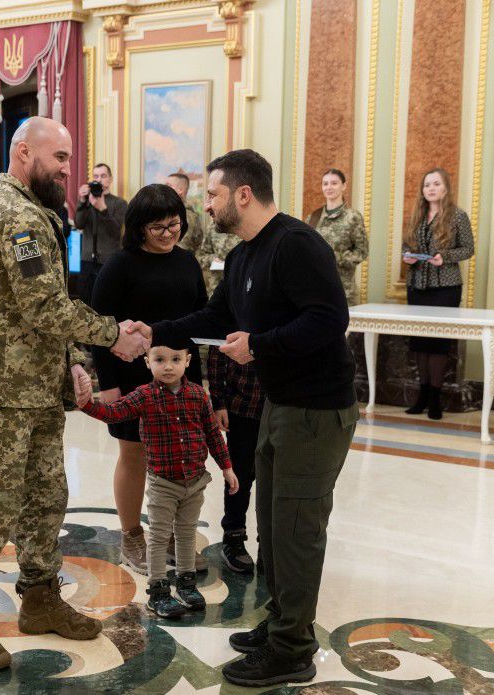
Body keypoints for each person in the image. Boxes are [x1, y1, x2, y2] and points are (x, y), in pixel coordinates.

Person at [130, 149, 358, 687]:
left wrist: (259, 345)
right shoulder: (241, 257)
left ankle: (293, 652)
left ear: (242, 194)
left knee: (298, 531)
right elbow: (215, 317)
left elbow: (329, 320)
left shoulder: (296, 244)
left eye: (210, 195)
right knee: (275, 528)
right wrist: (153, 333)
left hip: (317, 410)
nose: (203, 205)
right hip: (282, 404)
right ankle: (282, 624)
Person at [0, 117, 149, 673]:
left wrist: (76, 362)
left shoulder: (37, 213)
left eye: (69, 158)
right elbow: (45, 307)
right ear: (23, 151)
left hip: (32, 387)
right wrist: (113, 337)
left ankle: (39, 599)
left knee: (47, 498)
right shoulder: (14, 215)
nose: (66, 169)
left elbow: (42, 307)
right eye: (58, 157)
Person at [89, 183, 208, 575]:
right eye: (159, 227)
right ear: (140, 228)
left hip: (179, 379)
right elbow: (99, 329)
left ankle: (168, 533)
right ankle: (131, 535)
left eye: (175, 224)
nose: (169, 233)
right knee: (135, 455)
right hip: (130, 379)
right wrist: (108, 386)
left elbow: (200, 323)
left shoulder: (188, 262)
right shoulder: (120, 266)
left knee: (175, 457)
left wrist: (201, 383)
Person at [75, 339, 238, 618]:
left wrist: (226, 467)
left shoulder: (198, 395)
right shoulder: (144, 396)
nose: (168, 366)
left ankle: (186, 584)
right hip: (163, 483)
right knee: (160, 538)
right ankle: (159, 591)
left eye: (175, 359)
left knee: (186, 535)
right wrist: (87, 404)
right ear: (147, 362)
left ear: (187, 361)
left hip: (195, 481)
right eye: (160, 360)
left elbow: (213, 434)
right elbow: (113, 413)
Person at [401, 168, 475, 420]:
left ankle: (435, 398)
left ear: (445, 188)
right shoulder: (417, 215)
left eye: (435, 184)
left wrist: (446, 257)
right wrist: (407, 257)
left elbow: (468, 249)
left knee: (438, 344)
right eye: (426, 185)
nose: (430, 189)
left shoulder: (458, 216)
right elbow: (406, 244)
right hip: (417, 286)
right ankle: (421, 396)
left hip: (446, 288)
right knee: (420, 342)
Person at [207, 348, 262, 573]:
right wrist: (218, 402)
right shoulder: (237, 312)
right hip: (241, 405)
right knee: (239, 477)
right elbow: (216, 353)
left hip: (281, 407)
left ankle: (268, 543)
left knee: (275, 480)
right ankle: (233, 536)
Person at [305, 169, 368, 305]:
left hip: (344, 291)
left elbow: (362, 252)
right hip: (316, 290)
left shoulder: (353, 217)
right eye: (325, 183)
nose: (329, 187)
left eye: (334, 183)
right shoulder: (313, 218)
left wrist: (336, 257)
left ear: (343, 186)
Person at [74, 163, 127, 305]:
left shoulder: (119, 203)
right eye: (96, 176)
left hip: (109, 260)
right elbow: (79, 224)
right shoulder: (87, 201)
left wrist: (103, 208)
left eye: (103, 176)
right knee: (85, 301)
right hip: (86, 260)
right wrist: (82, 201)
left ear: (110, 179)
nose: (99, 179)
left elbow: (116, 232)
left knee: (107, 300)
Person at [166, 172, 207, 259]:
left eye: (168, 186)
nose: (164, 189)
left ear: (180, 190)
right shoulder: (171, 212)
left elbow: (181, 247)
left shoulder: (186, 216)